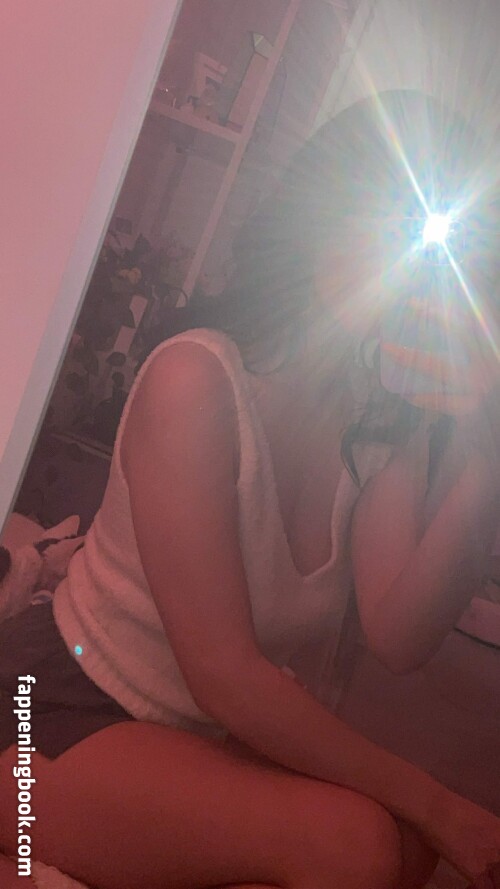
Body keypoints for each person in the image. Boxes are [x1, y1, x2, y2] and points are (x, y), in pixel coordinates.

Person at [0, 89, 499, 889]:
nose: (406, 267)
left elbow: (400, 633)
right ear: (319, 218)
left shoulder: (380, 418)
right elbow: (225, 674)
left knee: (404, 847)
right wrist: (442, 802)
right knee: (362, 844)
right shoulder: (195, 379)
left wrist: (483, 439)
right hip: (53, 709)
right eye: (387, 223)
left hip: (201, 737)